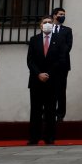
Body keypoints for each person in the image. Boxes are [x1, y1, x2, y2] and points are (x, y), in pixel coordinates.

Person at [26, 16, 65, 145]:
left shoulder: (59, 40)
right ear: (40, 25)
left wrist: (48, 73)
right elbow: (30, 60)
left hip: (52, 80)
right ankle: (34, 137)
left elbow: (61, 60)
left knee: (50, 110)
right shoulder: (34, 40)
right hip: (36, 81)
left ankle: (49, 137)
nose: (47, 24)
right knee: (35, 110)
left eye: (50, 22)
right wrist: (39, 74)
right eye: (45, 22)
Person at [51, 7, 73, 122]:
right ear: (54, 15)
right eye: (60, 14)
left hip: (62, 64)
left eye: (64, 14)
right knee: (50, 90)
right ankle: (49, 113)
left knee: (61, 89)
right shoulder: (48, 28)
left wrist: (58, 55)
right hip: (49, 65)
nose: (62, 16)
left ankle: (60, 114)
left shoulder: (67, 30)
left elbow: (68, 46)